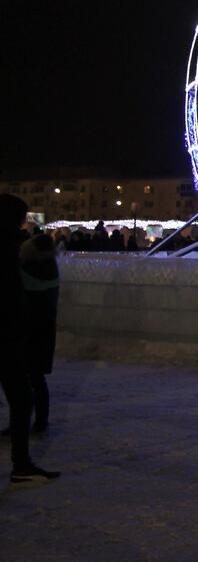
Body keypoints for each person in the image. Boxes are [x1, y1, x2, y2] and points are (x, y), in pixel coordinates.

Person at [0, 195, 59, 486]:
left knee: (24, 395)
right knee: (22, 398)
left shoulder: (15, 248)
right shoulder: (10, 248)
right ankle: (21, 465)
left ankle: (21, 463)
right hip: (9, 335)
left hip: (13, 334)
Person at [20, 232, 60, 434]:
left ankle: (24, 422)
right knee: (37, 379)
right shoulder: (51, 267)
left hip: (26, 331)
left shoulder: (27, 270)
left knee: (26, 381)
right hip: (45, 331)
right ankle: (40, 421)